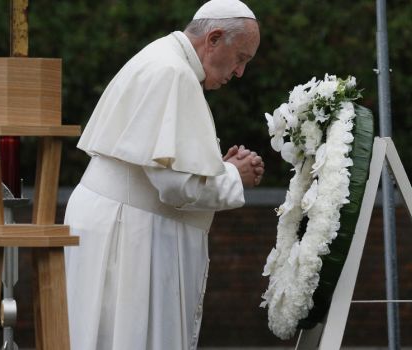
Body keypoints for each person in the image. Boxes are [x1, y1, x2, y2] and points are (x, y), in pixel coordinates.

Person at [64, 1, 263, 349]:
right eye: (241, 58)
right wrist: (233, 174)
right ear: (214, 39)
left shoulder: (163, 59)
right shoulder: (173, 73)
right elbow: (176, 186)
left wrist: (214, 165)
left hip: (120, 223)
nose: (240, 71)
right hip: (128, 233)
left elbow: (161, 163)